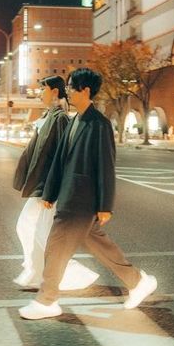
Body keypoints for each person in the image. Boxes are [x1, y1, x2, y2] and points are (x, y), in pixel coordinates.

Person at [19, 68, 158, 320]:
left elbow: (106, 165)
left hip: (82, 199)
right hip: (69, 196)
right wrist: (49, 193)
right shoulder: (74, 121)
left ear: (85, 90)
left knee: (56, 248)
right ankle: (138, 282)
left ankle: (47, 300)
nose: (68, 91)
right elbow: (60, 162)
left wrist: (106, 205)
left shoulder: (99, 124)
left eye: (72, 87)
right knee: (99, 245)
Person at [12, 75, 98, 290]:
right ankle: (36, 272)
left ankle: (70, 275)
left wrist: (55, 190)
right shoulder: (49, 116)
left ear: (55, 92)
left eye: (44, 90)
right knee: (32, 228)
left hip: (49, 187)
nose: (40, 94)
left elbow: (62, 157)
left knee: (36, 229)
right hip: (42, 186)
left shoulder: (59, 119)